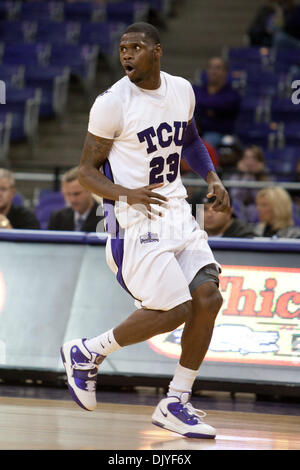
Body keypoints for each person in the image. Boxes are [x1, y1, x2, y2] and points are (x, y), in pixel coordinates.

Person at [60, 22, 230, 440]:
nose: (127, 56)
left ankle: (176, 401)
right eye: (122, 49)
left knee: (208, 297)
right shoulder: (112, 103)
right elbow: (85, 172)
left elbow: (189, 140)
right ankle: (87, 352)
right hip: (131, 219)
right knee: (177, 310)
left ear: (157, 51)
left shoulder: (181, 90)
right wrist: (125, 195)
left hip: (175, 208)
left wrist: (211, 177)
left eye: (136, 47)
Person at [193, 57, 241, 148]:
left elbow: (220, 104)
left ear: (225, 72)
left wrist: (201, 104)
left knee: (207, 142)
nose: (213, 71)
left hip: (219, 134)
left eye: (218, 68)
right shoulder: (198, 89)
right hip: (196, 131)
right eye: (210, 67)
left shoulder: (232, 94)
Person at [48, 166, 104, 232]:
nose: (72, 200)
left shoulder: (105, 219)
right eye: (68, 194)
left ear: (90, 189)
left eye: (77, 194)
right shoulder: (57, 218)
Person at [229, 145, 272, 222]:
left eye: (253, 158)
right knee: (235, 205)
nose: (249, 162)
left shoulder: (266, 176)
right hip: (240, 211)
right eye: (247, 158)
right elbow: (237, 197)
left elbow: (259, 198)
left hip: (257, 211)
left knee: (253, 209)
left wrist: (252, 175)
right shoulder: (236, 175)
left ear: (260, 161)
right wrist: (247, 175)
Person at [190, 191, 256, 238]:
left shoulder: (245, 237)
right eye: (205, 209)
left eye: (216, 209)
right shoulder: (190, 234)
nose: (209, 215)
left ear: (230, 211)